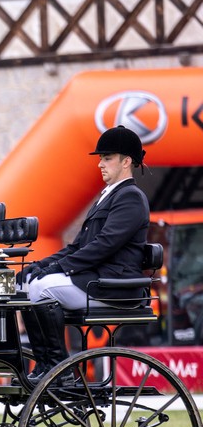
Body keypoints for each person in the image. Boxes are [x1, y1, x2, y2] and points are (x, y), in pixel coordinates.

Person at [21, 125, 149, 382]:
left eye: (107, 158)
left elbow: (105, 244)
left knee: (42, 288)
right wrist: (41, 264)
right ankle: (46, 364)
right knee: (26, 284)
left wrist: (58, 269)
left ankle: (61, 368)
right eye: (100, 158)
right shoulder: (106, 197)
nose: (101, 164)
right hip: (96, 279)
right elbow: (77, 246)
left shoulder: (131, 198)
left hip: (115, 285)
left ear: (126, 162)